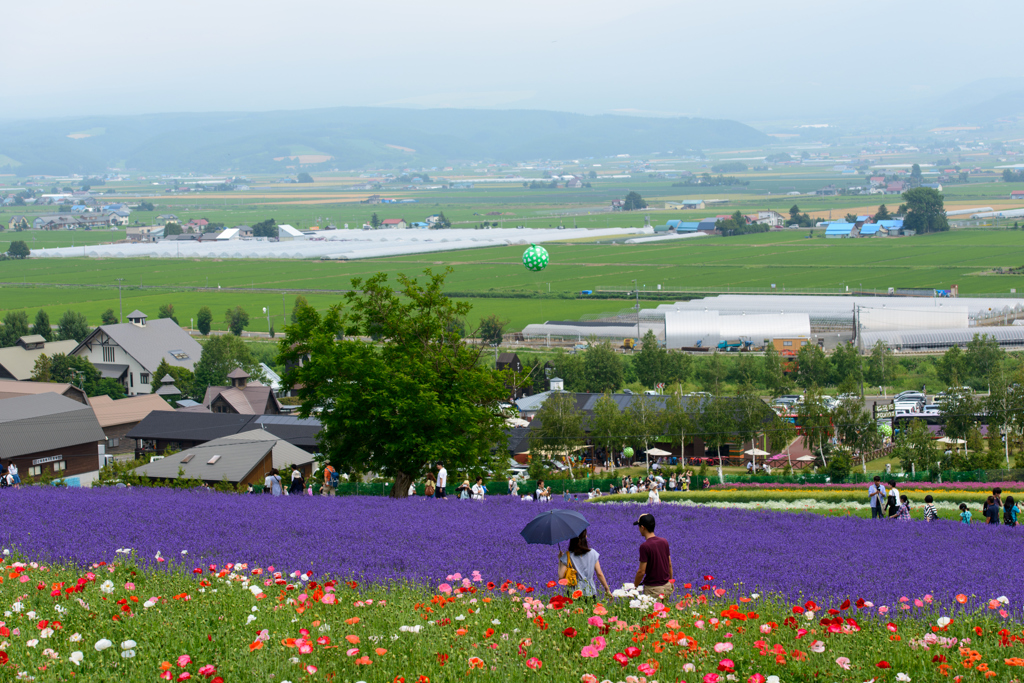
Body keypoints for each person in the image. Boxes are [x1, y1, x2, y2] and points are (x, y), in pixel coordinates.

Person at [558, 529, 613, 600]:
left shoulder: (567, 555)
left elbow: (561, 575)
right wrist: (607, 589)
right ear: (585, 538)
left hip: (573, 592)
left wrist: (560, 559)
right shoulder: (593, 553)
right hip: (589, 591)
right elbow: (599, 573)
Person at [633, 513, 673, 599]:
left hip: (653, 589)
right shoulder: (664, 542)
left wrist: (634, 587)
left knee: (652, 612)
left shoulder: (645, 546)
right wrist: (671, 582)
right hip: (666, 587)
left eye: (639, 526)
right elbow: (669, 564)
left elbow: (641, 571)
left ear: (643, 527)